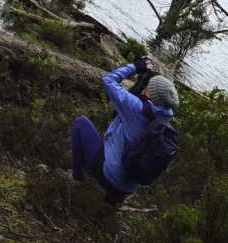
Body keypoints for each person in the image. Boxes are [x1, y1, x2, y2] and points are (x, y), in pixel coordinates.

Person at [71, 58, 179, 204]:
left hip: (109, 176)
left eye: (149, 86)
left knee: (81, 123)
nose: (146, 86)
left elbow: (108, 80)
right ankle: (113, 198)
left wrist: (134, 67)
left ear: (151, 93)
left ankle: (75, 177)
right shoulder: (164, 118)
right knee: (121, 142)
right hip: (130, 186)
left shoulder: (135, 107)